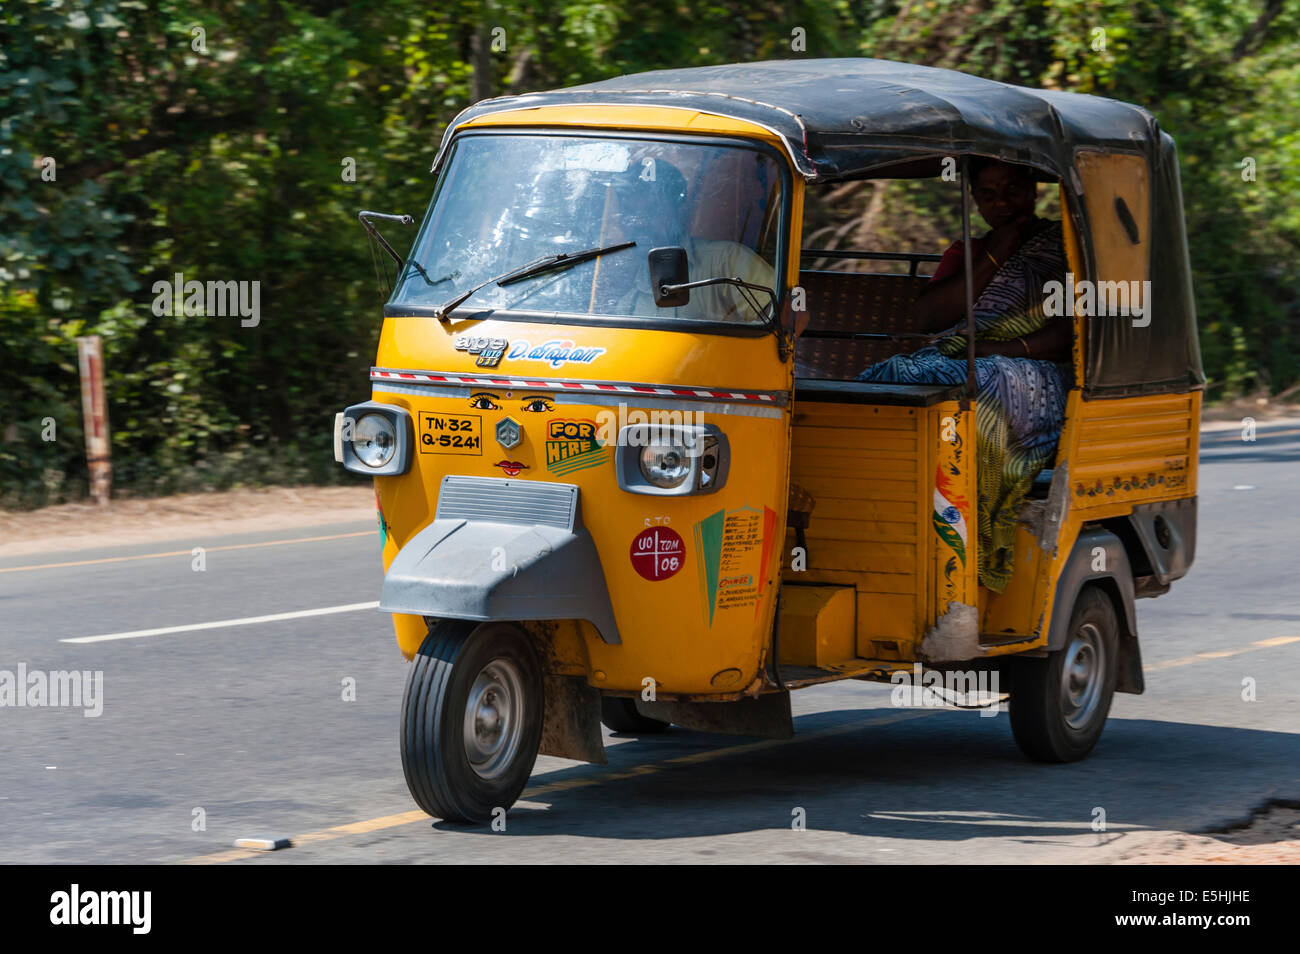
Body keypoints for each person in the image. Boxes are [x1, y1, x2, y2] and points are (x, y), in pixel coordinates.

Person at [857, 157, 1070, 592]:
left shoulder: (1062, 248)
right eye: (988, 195)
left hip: (1040, 368)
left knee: (981, 378)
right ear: (974, 200)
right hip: (967, 356)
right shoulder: (969, 253)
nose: (1002, 203)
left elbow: (1074, 328)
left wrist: (1003, 348)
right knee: (900, 374)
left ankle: (967, 517)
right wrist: (995, 253)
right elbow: (929, 317)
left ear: (1034, 192)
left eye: (1012, 190)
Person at [601, 160, 775, 322]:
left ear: (680, 211)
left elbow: (792, 315)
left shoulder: (726, 262)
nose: (639, 223)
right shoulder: (628, 295)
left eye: (652, 210)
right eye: (630, 212)